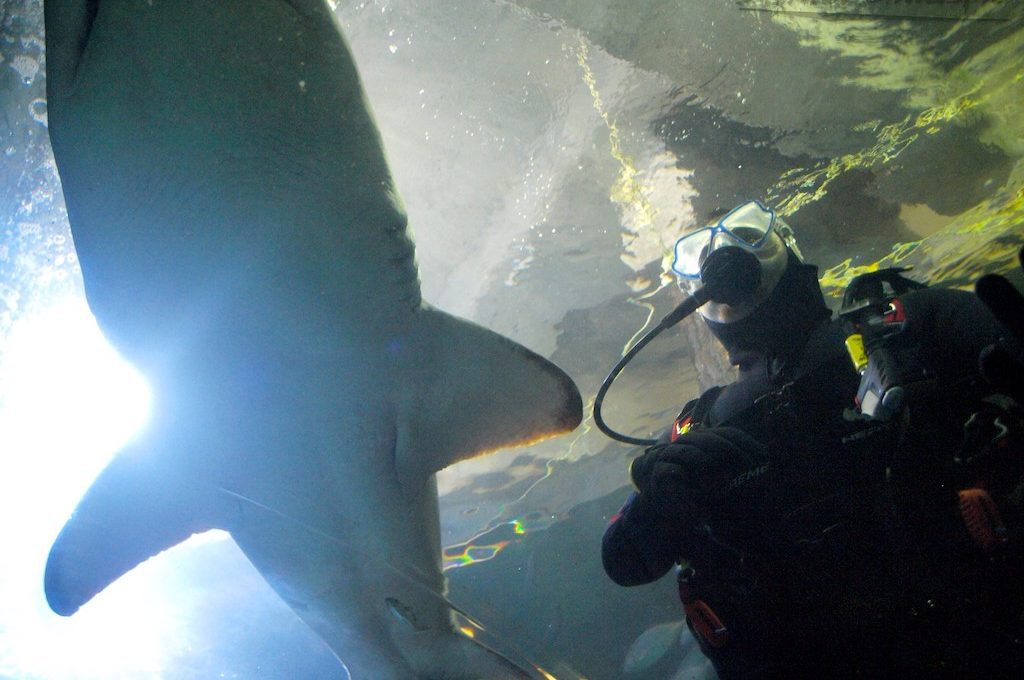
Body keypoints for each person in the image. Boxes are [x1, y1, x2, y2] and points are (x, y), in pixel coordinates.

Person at [601, 200, 1024, 679]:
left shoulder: (913, 325)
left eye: (746, 230)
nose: (722, 252)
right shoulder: (697, 433)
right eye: (700, 250)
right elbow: (624, 560)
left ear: (786, 245)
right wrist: (657, 504)